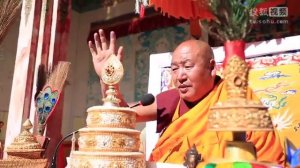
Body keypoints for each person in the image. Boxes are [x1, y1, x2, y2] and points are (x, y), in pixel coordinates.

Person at [88, 29, 285, 166]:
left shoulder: (237, 97)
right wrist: (109, 76)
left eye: (188, 66)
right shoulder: (173, 100)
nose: (179, 76)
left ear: (211, 67)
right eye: (174, 69)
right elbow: (120, 115)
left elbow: (268, 157)